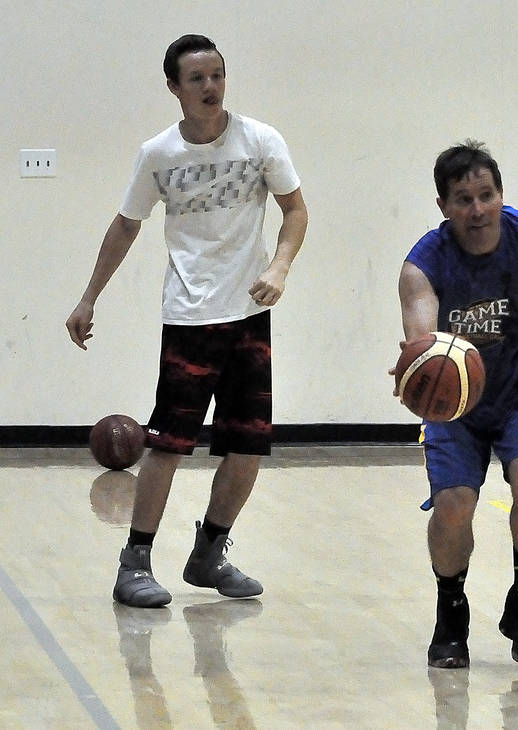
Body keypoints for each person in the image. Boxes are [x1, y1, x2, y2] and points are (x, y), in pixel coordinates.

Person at [65, 34, 308, 608]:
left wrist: (279, 266)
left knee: (247, 445)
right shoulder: (158, 154)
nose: (210, 86)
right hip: (191, 316)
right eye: (197, 78)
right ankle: (134, 562)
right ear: (174, 87)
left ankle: (209, 553)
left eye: (217, 75)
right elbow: (126, 225)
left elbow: (295, 209)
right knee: (170, 445)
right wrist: (88, 298)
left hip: (250, 314)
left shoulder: (260, 139)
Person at [397, 141, 518, 669]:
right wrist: (417, 364)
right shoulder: (422, 264)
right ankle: (451, 609)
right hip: (456, 402)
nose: (478, 209)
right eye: (464, 199)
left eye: (487, 195)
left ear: (501, 194)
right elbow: (424, 339)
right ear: (443, 206)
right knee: (454, 503)